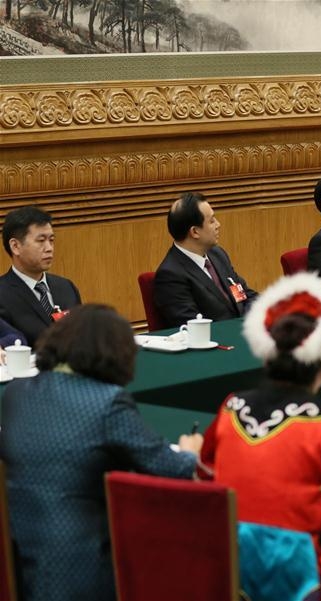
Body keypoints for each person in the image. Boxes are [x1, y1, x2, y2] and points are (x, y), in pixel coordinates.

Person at [0, 304, 201, 601]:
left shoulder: (15, 393)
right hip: (83, 566)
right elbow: (172, 469)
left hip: (17, 557)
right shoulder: (107, 402)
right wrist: (190, 452)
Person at [200, 272, 321, 597]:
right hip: (302, 579)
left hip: (231, 571)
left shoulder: (231, 407)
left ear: (266, 358)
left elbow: (205, 475)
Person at [154, 192, 257, 328]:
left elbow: (247, 295)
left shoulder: (217, 255)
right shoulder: (170, 275)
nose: (218, 224)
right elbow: (195, 326)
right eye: (212, 221)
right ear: (195, 232)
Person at [0, 206, 81, 346]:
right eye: (41, 240)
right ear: (15, 246)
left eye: (51, 240)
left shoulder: (66, 287)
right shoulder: (2, 294)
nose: (49, 248)